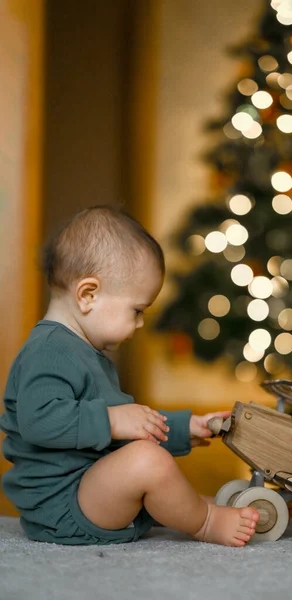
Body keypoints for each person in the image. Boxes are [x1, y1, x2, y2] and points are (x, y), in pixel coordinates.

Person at [0, 206, 259, 547]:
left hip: (88, 489)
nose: (138, 324)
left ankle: (194, 507)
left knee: (147, 460)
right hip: (62, 505)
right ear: (87, 295)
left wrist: (185, 427)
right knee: (147, 462)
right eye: (136, 311)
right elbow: (39, 421)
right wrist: (112, 420)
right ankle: (206, 521)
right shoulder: (49, 350)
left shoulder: (86, 352)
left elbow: (129, 425)